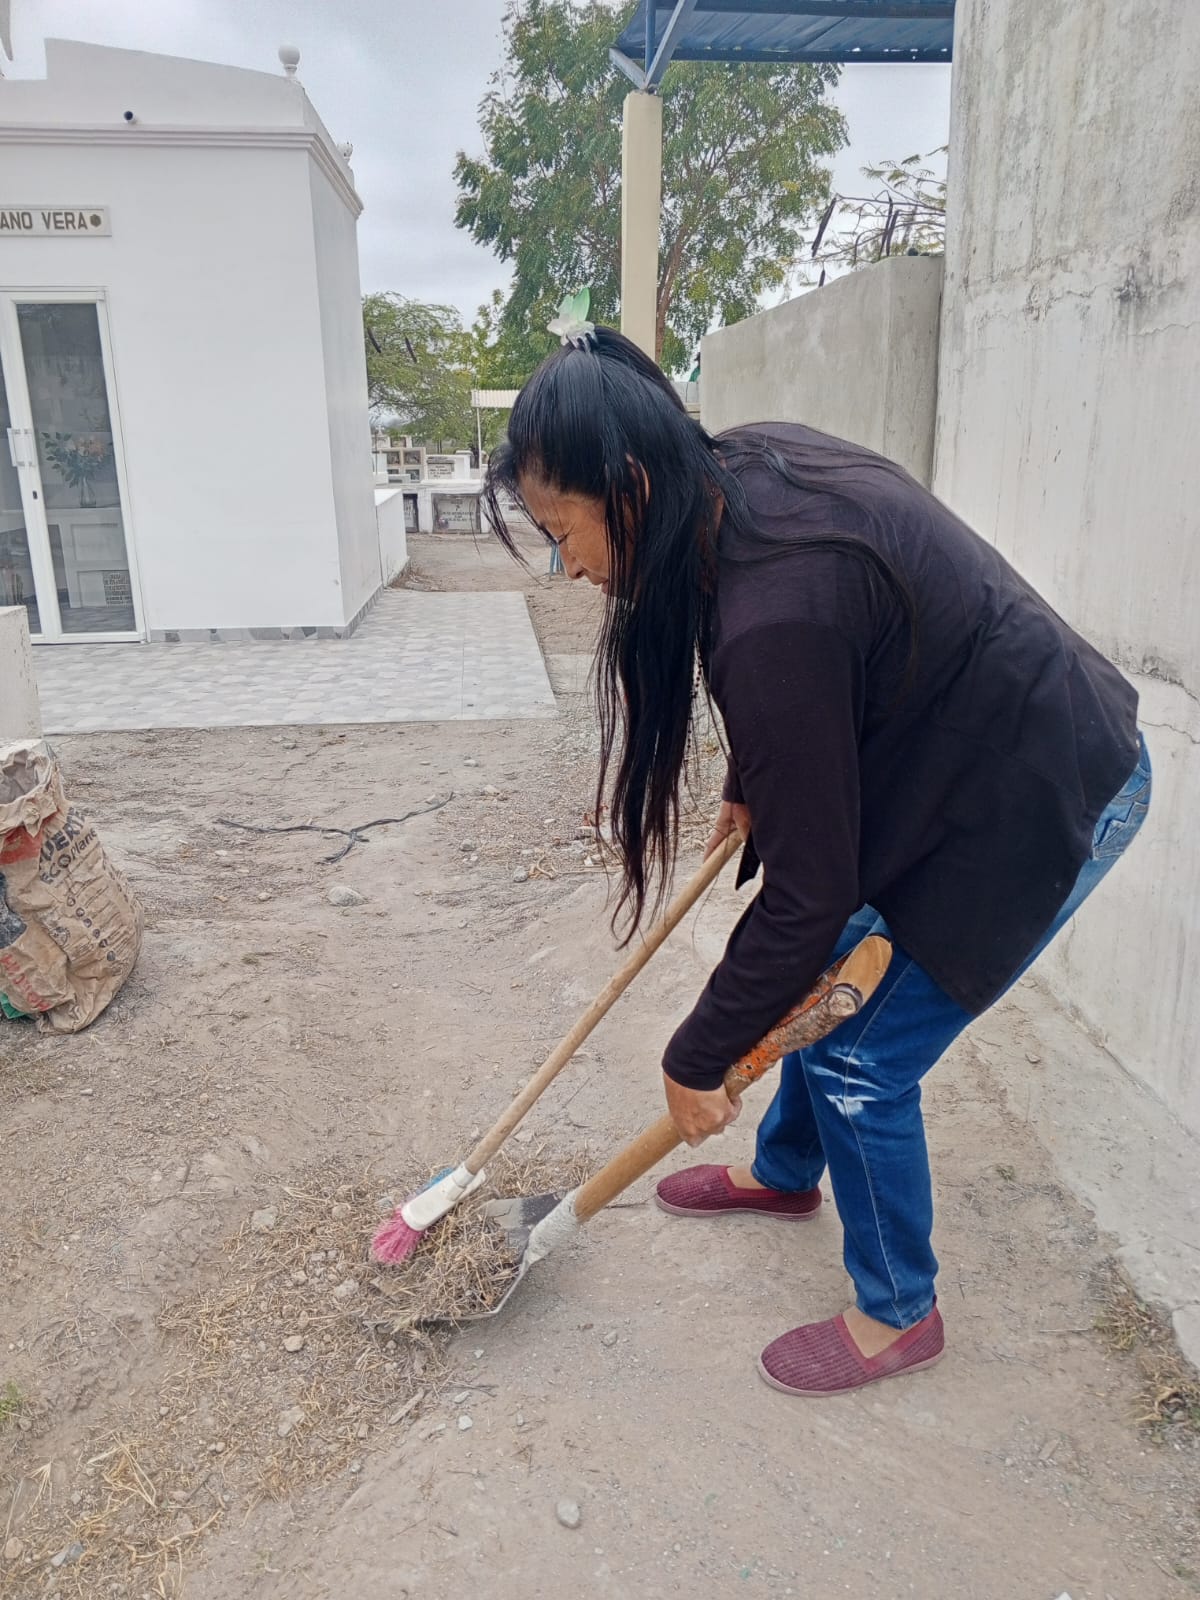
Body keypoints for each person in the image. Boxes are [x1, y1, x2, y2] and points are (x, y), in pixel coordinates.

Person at [483, 323, 1149, 1397]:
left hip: (1048, 788)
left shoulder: (773, 614)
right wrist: (761, 770)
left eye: (566, 533)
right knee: (824, 970)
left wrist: (695, 1057)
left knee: (858, 1057)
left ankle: (898, 1310)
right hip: (962, 758)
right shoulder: (734, 471)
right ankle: (788, 1172)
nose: (573, 567)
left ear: (633, 485)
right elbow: (822, 678)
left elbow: (806, 892)